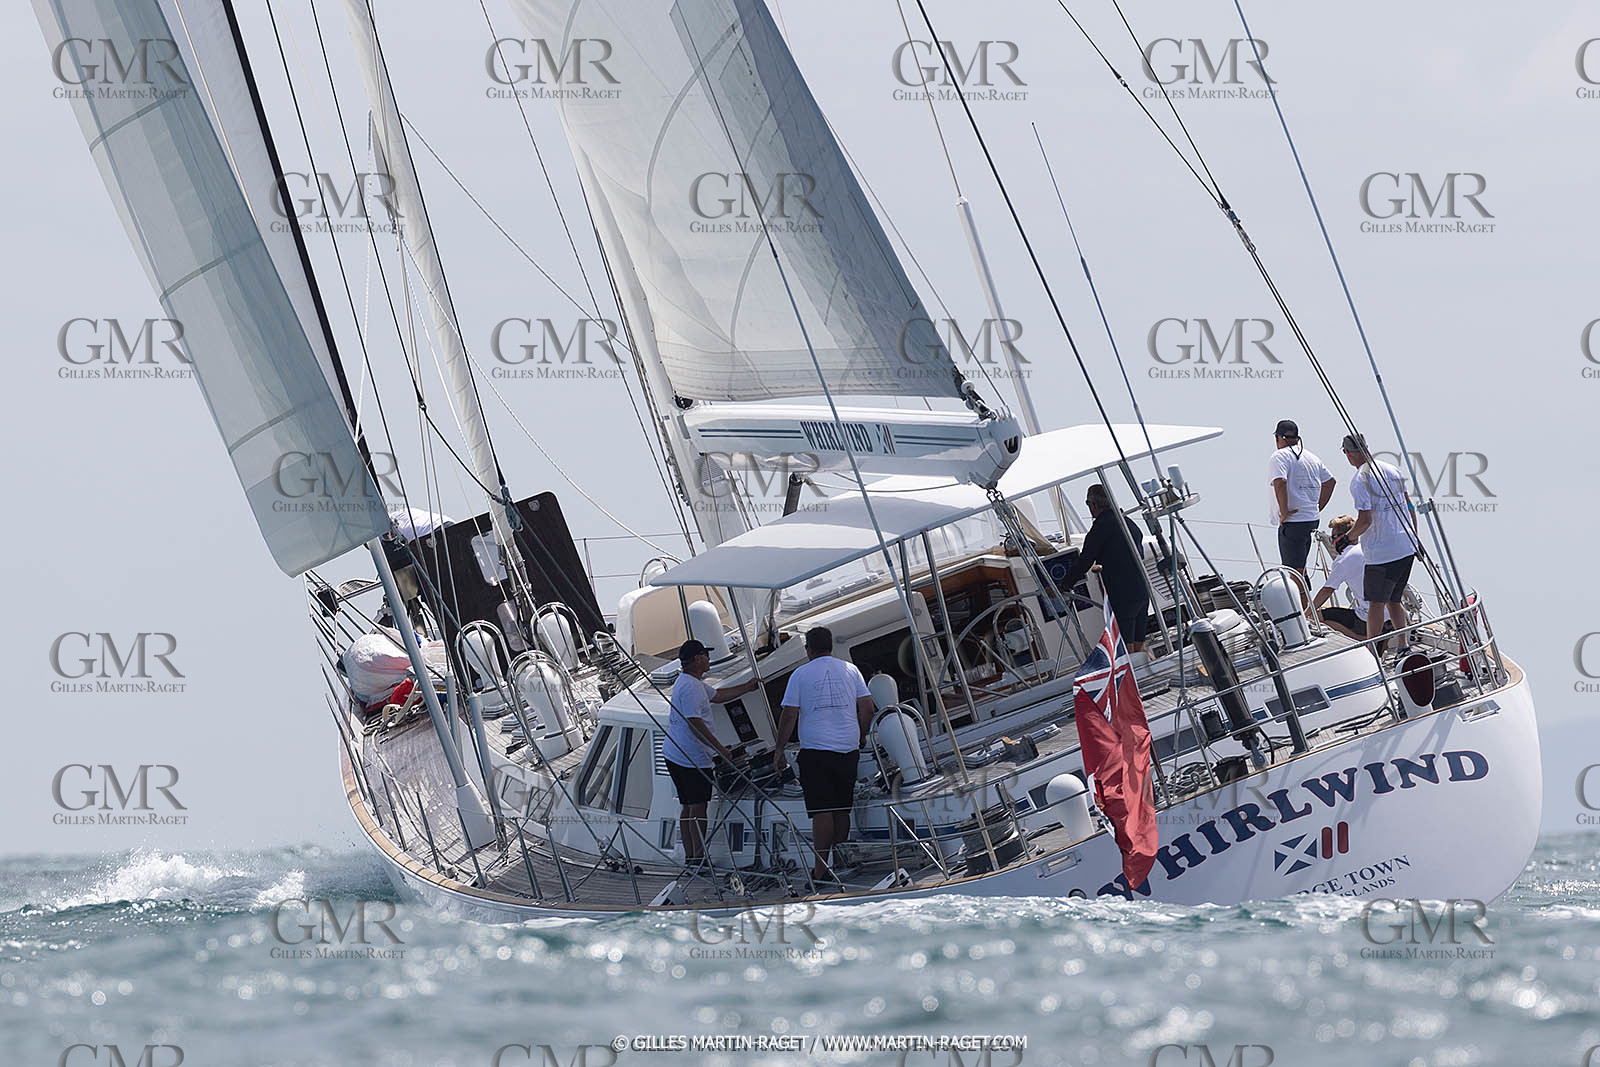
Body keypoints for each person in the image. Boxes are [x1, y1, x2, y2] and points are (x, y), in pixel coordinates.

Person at [772, 627, 876, 882]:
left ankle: (820, 870)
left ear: (809, 648)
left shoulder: (800, 674)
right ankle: (842, 861)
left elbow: (789, 715)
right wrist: (861, 734)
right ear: (830, 646)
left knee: (822, 811)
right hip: (848, 749)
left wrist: (779, 749)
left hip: (816, 751)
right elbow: (867, 708)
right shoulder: (851, 670)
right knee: (842, 809)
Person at [665, 639, 762, 866]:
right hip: (690, 759)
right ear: (698, 659)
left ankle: (692, 857)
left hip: (675, 754)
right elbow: (694, 723)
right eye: (705, 656)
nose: (708, 659)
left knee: (688, 806)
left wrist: (747, 687)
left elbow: (717, 695)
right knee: (698, 807)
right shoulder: (691, 687)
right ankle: (698, 858)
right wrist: (721, 749)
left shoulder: (689, 682)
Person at [1340, 433, 1419, 655]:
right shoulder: (1393, 470)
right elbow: (1409, 505)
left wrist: (1347, 538)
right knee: (1394, 599)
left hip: (1382, 554)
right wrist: (1415, 537)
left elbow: (1365, 520)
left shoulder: (1359, 480)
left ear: (1348, 454)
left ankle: (1371, 650)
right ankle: (1403, 644)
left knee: (1376, 602)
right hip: (1406, 547)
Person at [1059, 484, 1150, 653]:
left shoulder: (1100, 527)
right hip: (1142, 591)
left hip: (1124, 595)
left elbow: (1084, 561)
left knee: (1127, 647)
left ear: (1092, 505)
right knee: (1139, 645)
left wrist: (1064, 585)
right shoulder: (1128, 522)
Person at [1268, 419, 1336, 606]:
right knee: (1301, 567)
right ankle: (1308, 610)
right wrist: (1316, 507)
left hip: (1293, 521)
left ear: (1278, 438)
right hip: (1310, 519)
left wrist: (1284, 512)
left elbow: (1280, 482)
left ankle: (1307, 614)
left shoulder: (1279, 456)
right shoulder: (1312, 457)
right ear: (1297, 438)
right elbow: (1330, 482)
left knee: (1294, 570)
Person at [1311, 515, 1392, 650]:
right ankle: (1380, 641)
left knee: (1318, 617)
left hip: (1368, 619)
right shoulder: (1367, 549)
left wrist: (1307, 613)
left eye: (1333, 538)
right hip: (1390, 615)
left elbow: (1327, 591)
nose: (1332, 543)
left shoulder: (1343, 559)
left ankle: (1363, 640)